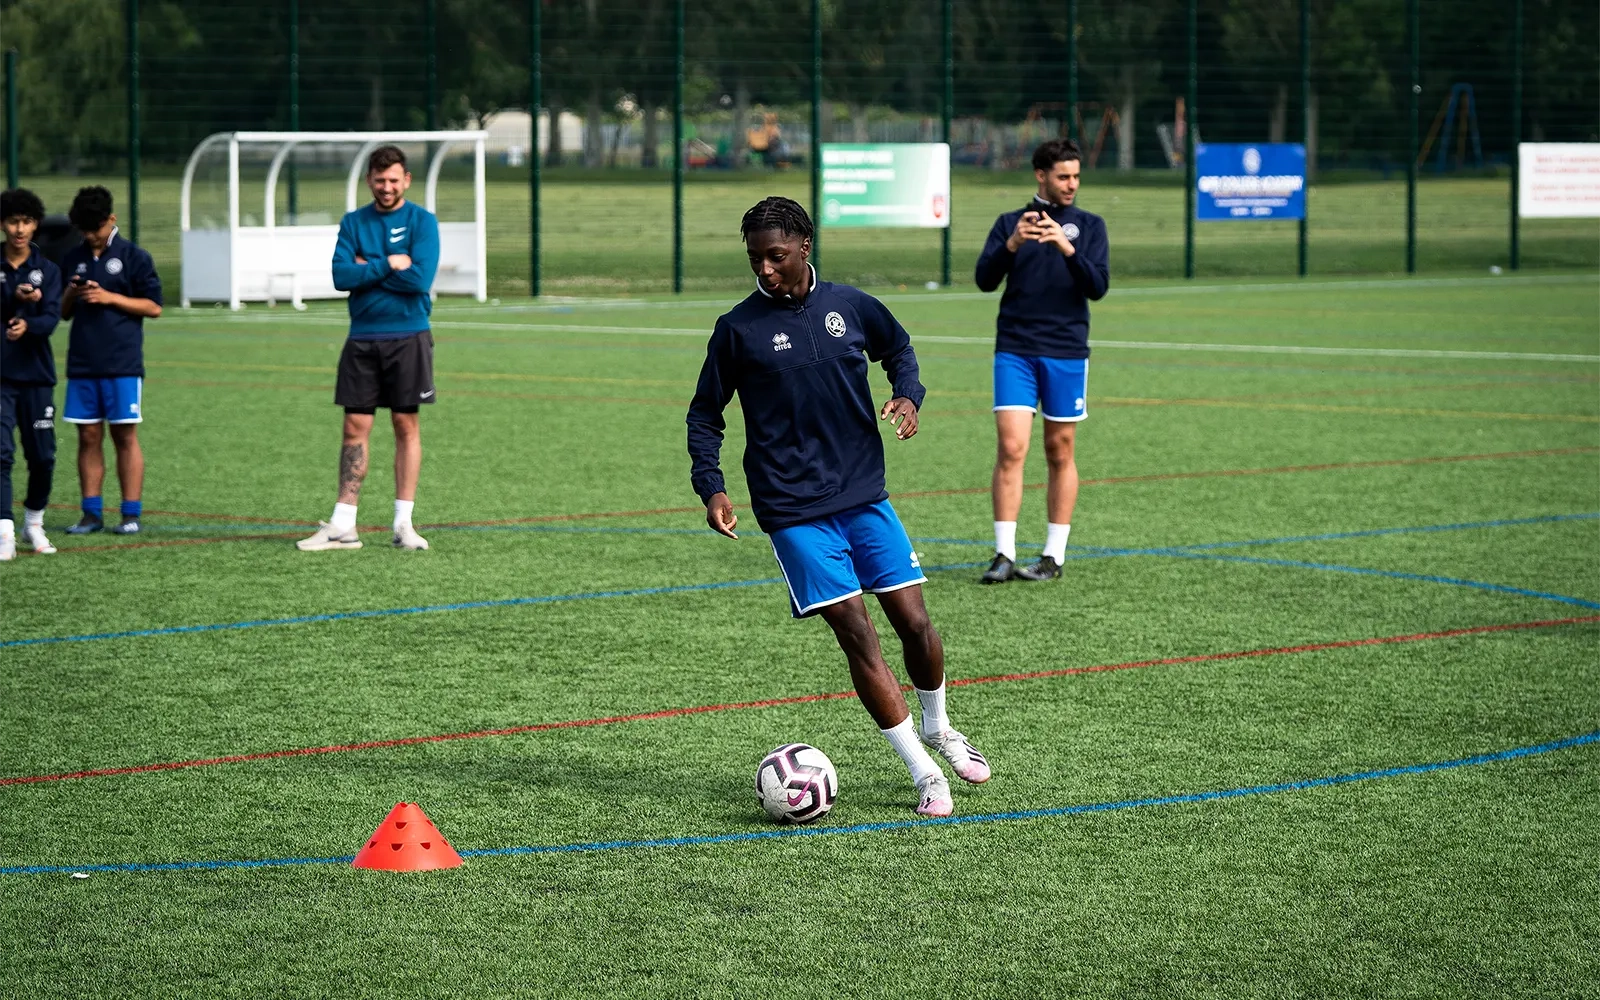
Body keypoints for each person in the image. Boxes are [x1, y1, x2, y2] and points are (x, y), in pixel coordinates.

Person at [687, 196, 991, 818]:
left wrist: (908, 396)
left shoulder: (850, 306)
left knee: (915, 623)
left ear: (804, 246)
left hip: (864, 496)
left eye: (775, 256)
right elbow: (704, 414)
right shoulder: (737, 329)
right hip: (791, 509)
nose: (765, 269)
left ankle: (939, 725)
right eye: (754, 259)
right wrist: (711, 484)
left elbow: (899, 349)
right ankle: (924, 770)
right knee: (859, 637)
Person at [974, 138, 1109, 583]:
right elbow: (983, 280)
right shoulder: (1010, 223)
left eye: (1075, 177)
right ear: (1041, 176)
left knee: (1059, 449)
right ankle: (1004, 553)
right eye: (1063, 176)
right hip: (1014, 348)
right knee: (1012, 447)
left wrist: (1067, 249)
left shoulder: (1089, 226)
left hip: (1067, 351)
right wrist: (1012, 244)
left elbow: (1097, 286)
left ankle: (1053, 556)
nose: (1071, 185)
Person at [297, 145, 439, 553]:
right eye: (380, 180)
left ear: (407, 180)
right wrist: (386, 264)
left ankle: (403, 525)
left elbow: (418, 279)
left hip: (409, 336)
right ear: (369, 182)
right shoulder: (354, 221)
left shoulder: (422, 222)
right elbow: (341, 275)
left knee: (404, 426)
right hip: (362, 338)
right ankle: (344, 526)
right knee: (353, 428)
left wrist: (367, 268)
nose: (387, 187)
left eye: (394, 180)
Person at [60, 186, 163, 536]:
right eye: (84, 231)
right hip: (83, 362)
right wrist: (71, 293)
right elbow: (62, 313)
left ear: (112, 220)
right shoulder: (73, 256)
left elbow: (154, 307)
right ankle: (91, 513)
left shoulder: (135, 257)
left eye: (96, 229)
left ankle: (130, 514)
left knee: (124, 435)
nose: (91, 236)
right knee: (88, 435)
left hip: (122, 363)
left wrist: (109, 297)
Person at [0, 188, 62, 559]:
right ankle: (4, 529)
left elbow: (52, 317)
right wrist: (13, 300)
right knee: (0, 453)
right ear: (2, 224)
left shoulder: (49, 270)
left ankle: (33, 524)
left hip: (37, 375)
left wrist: (30, 324)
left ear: (35, 224)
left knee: (42, 456)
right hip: (2, 375)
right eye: (12, 221)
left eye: (26, 221)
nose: (19, 229)